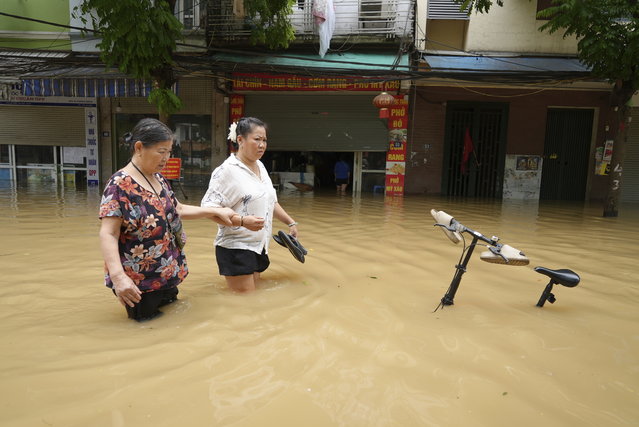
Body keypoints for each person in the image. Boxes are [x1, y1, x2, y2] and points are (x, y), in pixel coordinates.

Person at [99, 118, 236, 321]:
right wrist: (119, 278)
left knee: (172, 321)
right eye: (161, 151)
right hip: (139, 282)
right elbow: (108, 233)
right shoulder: (118, 185)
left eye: (169, 152)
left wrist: (214, 212)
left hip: (167, 272)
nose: (166, 158)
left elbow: (177, 209)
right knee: (146, 329)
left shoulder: (158, 178)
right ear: (139, 148)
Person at [201, 117, 299, 293]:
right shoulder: (226, 171)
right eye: (257, 139)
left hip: (259, 246)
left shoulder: (260, 166)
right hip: (236, 248)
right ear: (240, 140)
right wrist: (242, 221)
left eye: (264, 140)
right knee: (245, 304)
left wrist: (290, 222)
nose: (262, 145)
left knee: (253, 301)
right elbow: (208, 209)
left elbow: (271, 201)